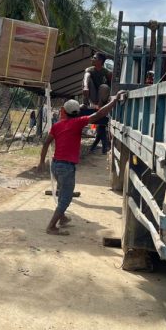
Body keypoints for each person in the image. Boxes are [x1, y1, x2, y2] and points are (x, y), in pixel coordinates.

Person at [38, 95, 121, 235]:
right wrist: (114, 101)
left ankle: (62, 218)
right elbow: (99, 114)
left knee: (61, 189)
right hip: (66, 167)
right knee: (66, 197)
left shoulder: (57, 126)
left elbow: (46, 143)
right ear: (76, 112)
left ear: (64, 111)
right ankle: (51, 226)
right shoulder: (77, 122)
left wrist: (41, 162)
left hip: (56, 165)